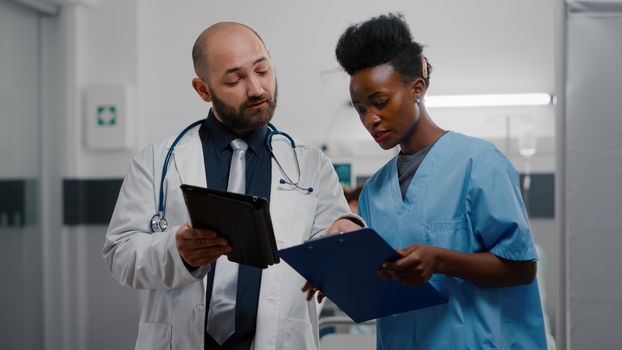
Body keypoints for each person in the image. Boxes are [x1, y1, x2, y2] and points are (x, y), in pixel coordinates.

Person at [102, 22, 360, 350]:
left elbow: (336, 244)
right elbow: (119, 256)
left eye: (263, 71)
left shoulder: (311, 166)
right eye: (235, 79)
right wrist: (176, 251)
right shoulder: (157, 161)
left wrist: (345, 234)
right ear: (203, 90)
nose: (255, 88)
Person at [329, 13, 547, 349]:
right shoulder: (375, 192)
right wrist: (337, 274)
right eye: (360, 109)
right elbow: (379, 280)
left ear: (416, 89)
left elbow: (521, 268)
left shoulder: (479, 164)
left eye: (380, 102)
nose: (371, 119)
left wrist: (440, 260)